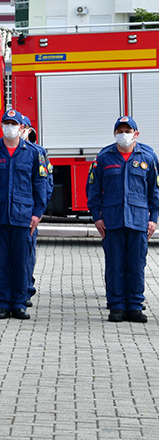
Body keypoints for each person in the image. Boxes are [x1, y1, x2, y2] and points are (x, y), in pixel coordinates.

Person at [0, 109, 49, 321]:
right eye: (6, 123)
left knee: (20, 261)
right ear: (2, 126)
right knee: (0, 262)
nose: (10, 127)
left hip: (23, 216)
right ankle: (2, 303)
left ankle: (18, 303)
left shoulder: (33, 153)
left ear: (22, 128)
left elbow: (40, 184)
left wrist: (37, 213)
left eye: (14, 124)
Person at [86, 116, 159, 323]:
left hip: (138, 221)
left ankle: (134, 306)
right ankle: (117, 306)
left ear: (136, 134)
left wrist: (153, 218)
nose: (123, 135)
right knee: (115, 265)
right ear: (114, 133)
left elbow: (154, 191)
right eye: (120, 131)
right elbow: (93, 190)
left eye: (128, 131)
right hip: (112, 220)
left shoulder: (148, 158)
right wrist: (97, 217)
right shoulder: (104, 158)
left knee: (136, 265)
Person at [19, 114, 53, 309]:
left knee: (27, 254)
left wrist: (38, 211)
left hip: (28, 213)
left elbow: (46, 184)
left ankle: (26, 289)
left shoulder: (38, 153)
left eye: (23, 127)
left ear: (29, 130)